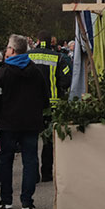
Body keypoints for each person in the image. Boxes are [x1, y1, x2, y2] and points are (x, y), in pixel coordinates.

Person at [0, 34, 50, 209]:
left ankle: (6, 199)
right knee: (30, 161)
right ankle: (27, 201)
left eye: (8, 47)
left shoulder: (3, 72)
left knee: (6, 160)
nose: (6, 50)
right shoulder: (35, 71)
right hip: (31, 123)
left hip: (8, 123)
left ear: (13, 50)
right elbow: (44, 97)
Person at [28, 36, 72, 183]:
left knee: (31, 140)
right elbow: (66, 80)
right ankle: (46, 173)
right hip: (51, 106)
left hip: (31, 106)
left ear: (38, 41)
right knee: (48, 141)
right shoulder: (58, 58)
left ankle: (33, 174)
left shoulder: (27, 56)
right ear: (51, 42)